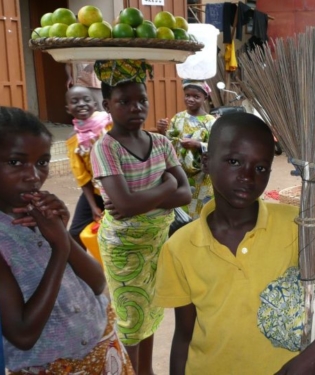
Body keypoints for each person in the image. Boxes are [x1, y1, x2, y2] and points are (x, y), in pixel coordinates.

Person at [153, 113, 315, 375]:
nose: (248, 176)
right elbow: (184, 334)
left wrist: (312, 358)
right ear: (206, 161)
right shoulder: (180, 246)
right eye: (235, 161)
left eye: (261, 168)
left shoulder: (299, 226)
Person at [0, 106, 133, 374]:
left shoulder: (43, 214)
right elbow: (23, 334)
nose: (34, 176)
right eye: (16, 162)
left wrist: (62, 235)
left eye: (42, 162)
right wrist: (59, 249)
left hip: (104, 349)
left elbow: (97, 283)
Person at [90, 60, 192, 375]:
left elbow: (185, 194)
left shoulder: (160, 142)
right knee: (131, 319)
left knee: (149, 314)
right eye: (124, 101)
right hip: (124, 248)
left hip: (156, 244)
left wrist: (142, 199)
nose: (136, 107)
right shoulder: (105, 149)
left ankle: (143, 372)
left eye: (142, 100)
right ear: (107, 105)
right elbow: (124, 203)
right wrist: (167, 186)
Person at [156, 80, 216, 219]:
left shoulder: (210, 121)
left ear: (205, 98)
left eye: (196, 96)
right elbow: (169, 144)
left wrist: (198, 145)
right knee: (182, 212)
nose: (190, 99)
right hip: (181, 174)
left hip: (202, 177)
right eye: (187, 95)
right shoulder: (178, 118)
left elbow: (217, 147)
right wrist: (161, 132)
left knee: (202, 213)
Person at [65, 85, 112, 247]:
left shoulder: (109, 123)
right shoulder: (74, 140)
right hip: (96, 191)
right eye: (75, 101)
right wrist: (93, 206)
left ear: (95, 103)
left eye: (86, 100)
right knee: (76, 234)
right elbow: (82, 176)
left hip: (121, 188)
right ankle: (83, 272)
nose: (81, 104)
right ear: (68, 108)